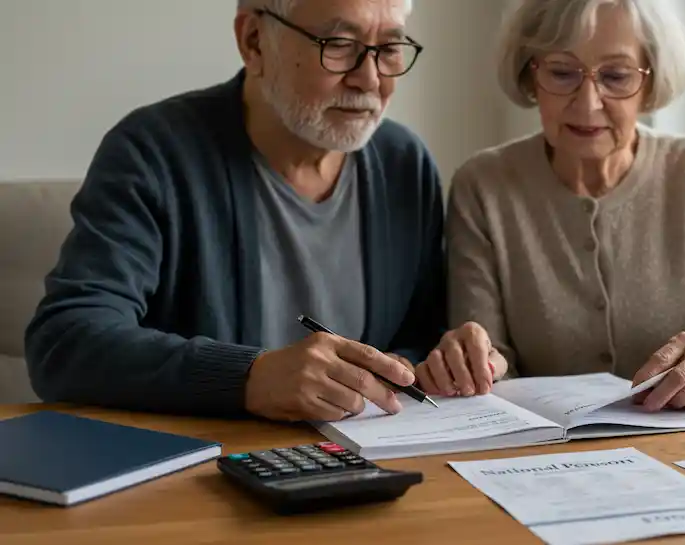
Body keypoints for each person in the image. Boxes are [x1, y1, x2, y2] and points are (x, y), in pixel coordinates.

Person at [23, 0, 446, 423]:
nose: (368, 78)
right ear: (254, 41)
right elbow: (65, 343)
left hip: (371, 462)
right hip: (206, 470)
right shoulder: (153, 152)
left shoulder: (404, 163)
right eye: (338, 43)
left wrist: (445, 358)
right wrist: (251, 376)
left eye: (389, 48)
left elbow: (421, 335)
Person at [415, 0, 685, 412]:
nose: (588, 102)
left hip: (677, 442)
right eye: (561, 72)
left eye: (616, 76)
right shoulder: (483, 185)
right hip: (542, 448)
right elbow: (489, 357)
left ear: (650, 82)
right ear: (529, 74)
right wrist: (479, 365)